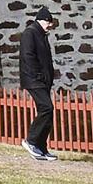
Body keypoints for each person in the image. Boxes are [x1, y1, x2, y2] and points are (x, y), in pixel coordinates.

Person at [19, 11, 58, 160]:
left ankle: (41, 148)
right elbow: (28, 56)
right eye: (48, 22)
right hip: (34, 80)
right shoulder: (30, 33)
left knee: (48, 113)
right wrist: (38, 75)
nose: (50, 25)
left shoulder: (42, 34)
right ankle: (31, 141)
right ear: (40, 21)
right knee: (46, 108)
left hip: (43, 81)